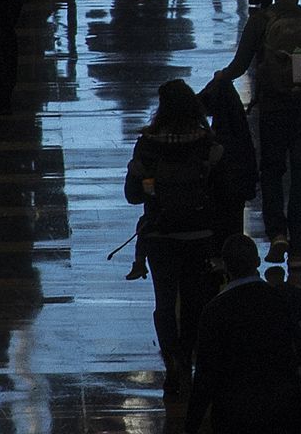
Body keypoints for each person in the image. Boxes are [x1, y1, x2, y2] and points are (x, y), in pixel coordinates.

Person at [213, 0, 301, 273]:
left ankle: (277, 234)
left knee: (271, 170)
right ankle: (298, 246)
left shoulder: (261, 21)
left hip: (273, 108)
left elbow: (239, 65)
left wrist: (219, 80)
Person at [185, 233, 301, 434]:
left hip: (234, 411)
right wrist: (298, 339)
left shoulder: (215, 310)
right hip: (285, 405)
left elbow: (205, 375)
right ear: (257, 262)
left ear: (225, 266)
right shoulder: (284, 296)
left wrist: (191, 425)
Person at [123, 79, 223, 396]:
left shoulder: (148, 144)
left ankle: (172, 363)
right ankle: (187, 355)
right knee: (195, 300)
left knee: (164, 302)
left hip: (160, 233)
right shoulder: (206, 142)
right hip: (199, 233)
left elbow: (133, 196)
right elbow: (222, 191)